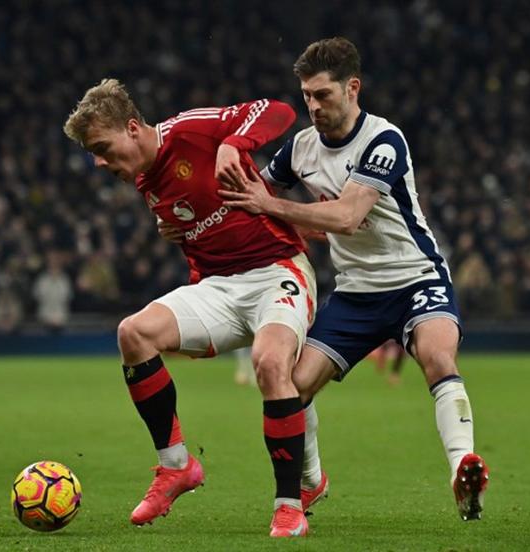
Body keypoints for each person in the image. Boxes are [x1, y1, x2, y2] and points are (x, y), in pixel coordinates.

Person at [218, 37, 489, 521]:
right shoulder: (300, 148)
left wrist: (273, 207)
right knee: (292, 387)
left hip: (416, 279)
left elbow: (345, 216)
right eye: (306, 96)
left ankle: (461, 469)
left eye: (322, 95)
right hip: (356, 293)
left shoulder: (385, 140)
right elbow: (253, 196)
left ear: (352, 88)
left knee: (436, 355)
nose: (313, 106)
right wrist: (218, 170)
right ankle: (312, 481)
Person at [64, 79, 322, 537]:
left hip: (276, 271)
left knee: (268, 362)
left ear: (132, 127)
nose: (99, 162)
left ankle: (289, 507)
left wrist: (235, 143)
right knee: (133, 333)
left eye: (102, 147)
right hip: (218, 288)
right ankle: (176, 466)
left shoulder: (194, 130)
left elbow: (279, 110)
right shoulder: (143, 177)